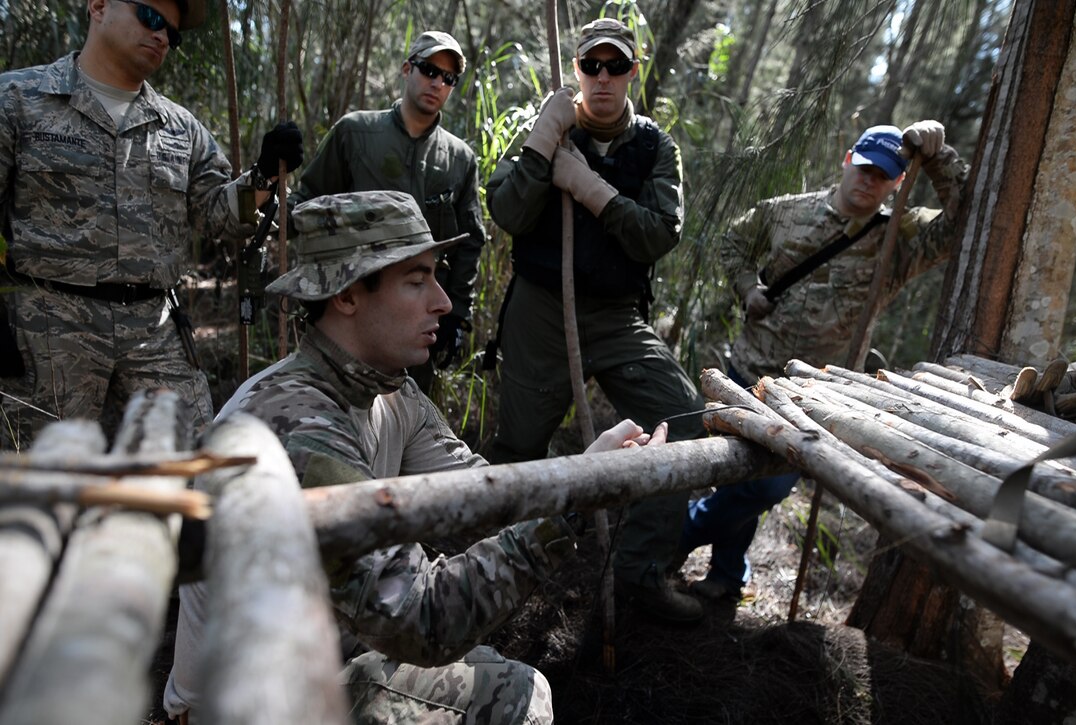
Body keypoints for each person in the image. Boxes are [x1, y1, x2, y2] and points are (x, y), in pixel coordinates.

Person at [165, 190, 668, 724]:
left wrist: (590, 470)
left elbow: (488, 491)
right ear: (347, 296)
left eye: (436, 275)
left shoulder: (388, 392)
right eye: (416, 280)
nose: (443, 301)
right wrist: (574, 502)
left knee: (510, 686)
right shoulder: (291, 426)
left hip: (327, 664)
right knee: (517, 701)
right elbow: (422, 620)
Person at [678, 122, 970, 610]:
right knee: (742, 478)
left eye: (884, 175)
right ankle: (727, 574)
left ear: (898, 182)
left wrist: (940, 157)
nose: (870, 180)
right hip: (748, 373)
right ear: (847, 157)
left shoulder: (900, 236)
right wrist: (747, 288)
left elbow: (963, 220)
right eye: (864, 167)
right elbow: (733, 242)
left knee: (765, 485)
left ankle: (676, 534)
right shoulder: (785, 211)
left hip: (814, 399)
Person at [0, 0, 303, 449]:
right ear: (99, 6)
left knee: (190, 465)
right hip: (48, 333)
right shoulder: (19, 99)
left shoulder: (181, 128)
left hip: (154, 330)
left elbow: (219, 214)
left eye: (173, 33)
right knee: (45, 482)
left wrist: (261, 175)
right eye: (152, 18)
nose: (162, 36)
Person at [484, 18, 705, 624]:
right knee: (519, 445)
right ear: (578, 69)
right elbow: (505, 208)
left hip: (614, 315)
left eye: (616, 66)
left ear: (633, 72)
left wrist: (588, 186)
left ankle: (639, 574)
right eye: (591, 66)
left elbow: (658, 235)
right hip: (541, 310)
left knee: (681, 417)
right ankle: (490, 573)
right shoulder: (550, 124)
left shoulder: (656, 146)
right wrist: (541, 143)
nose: (602, 78)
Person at [291, 30, 486, 392]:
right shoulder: (356, 133)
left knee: (408, 423)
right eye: (429, 70)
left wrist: (457, 316)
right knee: (333, 411)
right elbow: (305, 209)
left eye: (448, 78)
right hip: (351, 317)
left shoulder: (460, 159)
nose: (437, 83)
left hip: (418, 323)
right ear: (406, 69)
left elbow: (470, 242)